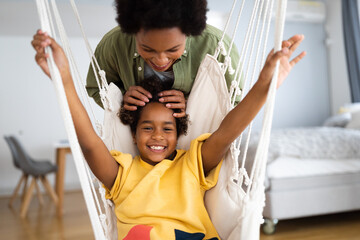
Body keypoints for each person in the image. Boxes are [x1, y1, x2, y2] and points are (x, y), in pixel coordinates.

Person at [32, 30, 305, 239]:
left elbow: (227, 132)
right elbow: (90, 143)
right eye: (147, 127)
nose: (157, 136)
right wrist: (64, 80)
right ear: (134, 134)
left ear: (179, 134)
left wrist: (265, 86)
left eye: (167, 128)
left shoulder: (192, 163)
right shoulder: (122, 172)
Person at [86, 0, 241, 118]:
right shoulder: (114, 43)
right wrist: (120, 101)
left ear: (188, 33)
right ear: (133, 32)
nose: (160, 61)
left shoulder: (218, 46)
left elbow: (233, 102)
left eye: (173, 49)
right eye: (147, 49)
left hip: (199, 145)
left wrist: (192, 106)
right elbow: (96, 88)